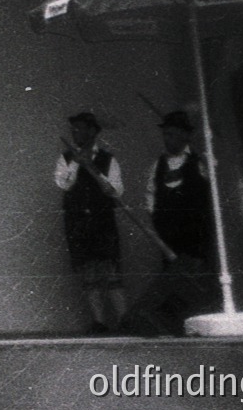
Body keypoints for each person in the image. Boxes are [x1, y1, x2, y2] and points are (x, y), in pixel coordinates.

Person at [121, 110, 216, 336]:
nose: (167, 139)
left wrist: (202, 155)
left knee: (197, 277)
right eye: (165, 134)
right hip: (169, 235)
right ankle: (177, 326)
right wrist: (158, 223)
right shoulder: (158, 165)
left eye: (172, 134)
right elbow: (150, 196)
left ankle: (200, 323)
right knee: (172, 279)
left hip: (196, 232)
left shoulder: (200, 161)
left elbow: (213, 182)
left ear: (184, 136)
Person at [55, 110, 127, 334]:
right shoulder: (65, 159)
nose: (75, 133)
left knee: (111, 271)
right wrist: (77, 164)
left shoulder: (108, 159)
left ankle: (125, 321)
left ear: (93, 132)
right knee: (89, 273)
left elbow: (116, 191)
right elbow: (63, 184)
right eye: (74, 129)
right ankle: (99, 323)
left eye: (80, 129)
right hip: (78, 223)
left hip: (102, 222)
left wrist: (98, 174)